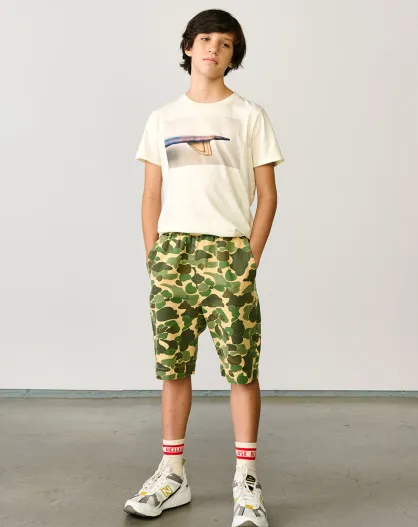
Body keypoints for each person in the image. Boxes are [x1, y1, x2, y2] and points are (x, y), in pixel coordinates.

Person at [124, 8, 284, 527]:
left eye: (227, 43)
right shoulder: (162, 118)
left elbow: (267, 196)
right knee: (173, 367)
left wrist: (249, 258)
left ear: (233, 57)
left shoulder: (249, 116)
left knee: (242, 367)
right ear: (189, 46)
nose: (215, 48)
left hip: (228, 253)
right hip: (173, 256)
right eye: (207, 38)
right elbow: (151, 193)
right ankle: (173, 475)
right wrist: (154, 254)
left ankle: (247, 482)